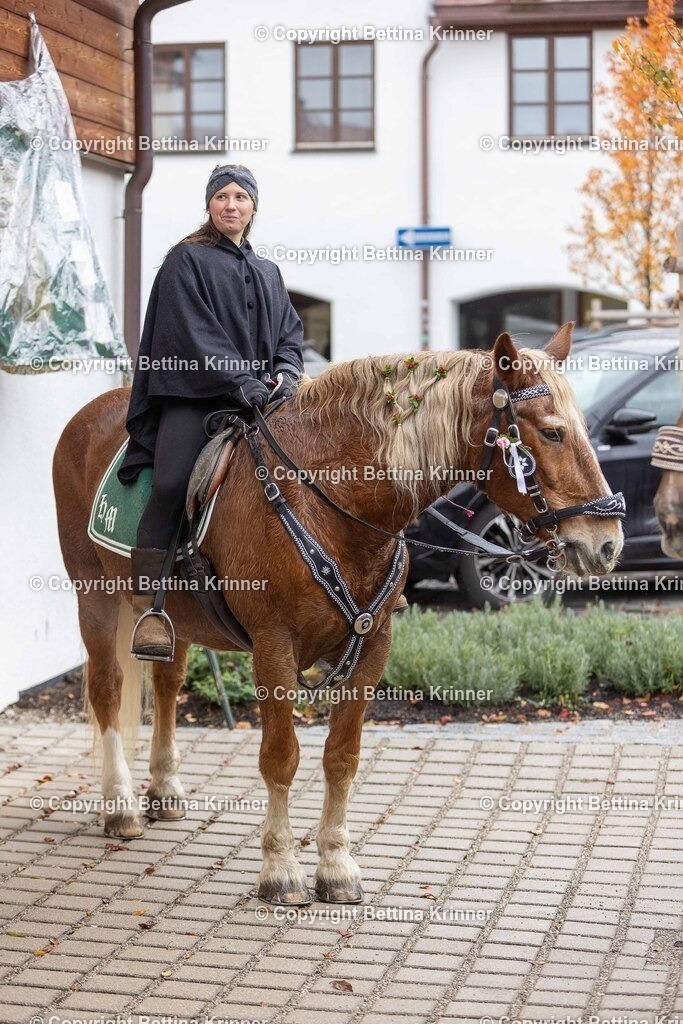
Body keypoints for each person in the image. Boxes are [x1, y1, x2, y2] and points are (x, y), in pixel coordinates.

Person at [118, 164, 304, 660]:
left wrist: (285, 372)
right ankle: (150, 607)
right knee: (172, 484)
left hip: (261, 401)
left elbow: (290, 333)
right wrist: (240, 382)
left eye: (241, 196)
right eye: (221, 196)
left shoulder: (269, 272)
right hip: (195, 398)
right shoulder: (185, 261)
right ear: (209, 206)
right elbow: (192, 335)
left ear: (253, 208)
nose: (231, 205)